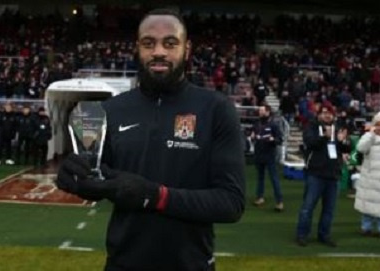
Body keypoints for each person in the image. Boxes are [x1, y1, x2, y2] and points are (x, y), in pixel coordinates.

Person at [55, 9, 246, 271]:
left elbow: (231, 203)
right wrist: (75, 176)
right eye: (149, 43)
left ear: (186, 49)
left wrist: (155, 196)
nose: (159, 52)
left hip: (191, 265)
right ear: (137, 48)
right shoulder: (111, 110)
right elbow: (101, 180)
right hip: (123, 264)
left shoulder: (215, 109)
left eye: (170, 43)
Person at [296, 103, 350, 247]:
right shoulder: (312, 127)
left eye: (329, 113)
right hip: (315, 173)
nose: (327, 115)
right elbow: (310, 143)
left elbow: (345, 148)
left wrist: (343, 141)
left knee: (329, 210)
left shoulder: (338, 128)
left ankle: (324, 235)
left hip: (333, 175)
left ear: (333, 115)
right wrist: (325, 137)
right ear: (318, 114)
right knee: (308, 207)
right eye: (324, 112)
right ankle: (302, 234)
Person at [251, 104, 284, 211]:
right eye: (259, 110)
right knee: (260, 178)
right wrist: (252, 137)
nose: (260, 112)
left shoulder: (274, 125)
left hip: (269, 155)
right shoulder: (256, 124)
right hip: (259, 154)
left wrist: (273, 140)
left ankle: (279, 201)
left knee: (274, 179)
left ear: (268, 112)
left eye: (262, 110)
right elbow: (253, 135)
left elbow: (280, 139)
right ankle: (260, 197)